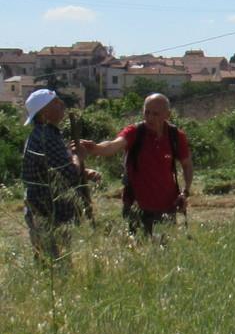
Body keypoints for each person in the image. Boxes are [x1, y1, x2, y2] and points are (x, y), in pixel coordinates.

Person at [78, 93, 193, 236]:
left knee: (166, 246)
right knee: (138, 246)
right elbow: (113, 145)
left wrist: (185, 192)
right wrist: (95, 148)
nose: (150, 118)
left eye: (155, 114)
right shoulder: (135, 132)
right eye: (147, 112)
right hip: (137, 206)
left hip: (167, 206)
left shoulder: (176, 136)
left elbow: (187, 165)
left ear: (167, 115)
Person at [21, 88, 97, 260]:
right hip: (49, 213)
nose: (61, 104)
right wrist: (78, 157)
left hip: (45, 212)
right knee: (56, 264)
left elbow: (53, 170)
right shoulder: (47, 137)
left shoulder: (45, 134)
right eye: (55, 102)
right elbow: (68, 174)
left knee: (52, 262)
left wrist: (85, 171)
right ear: (44, 114)